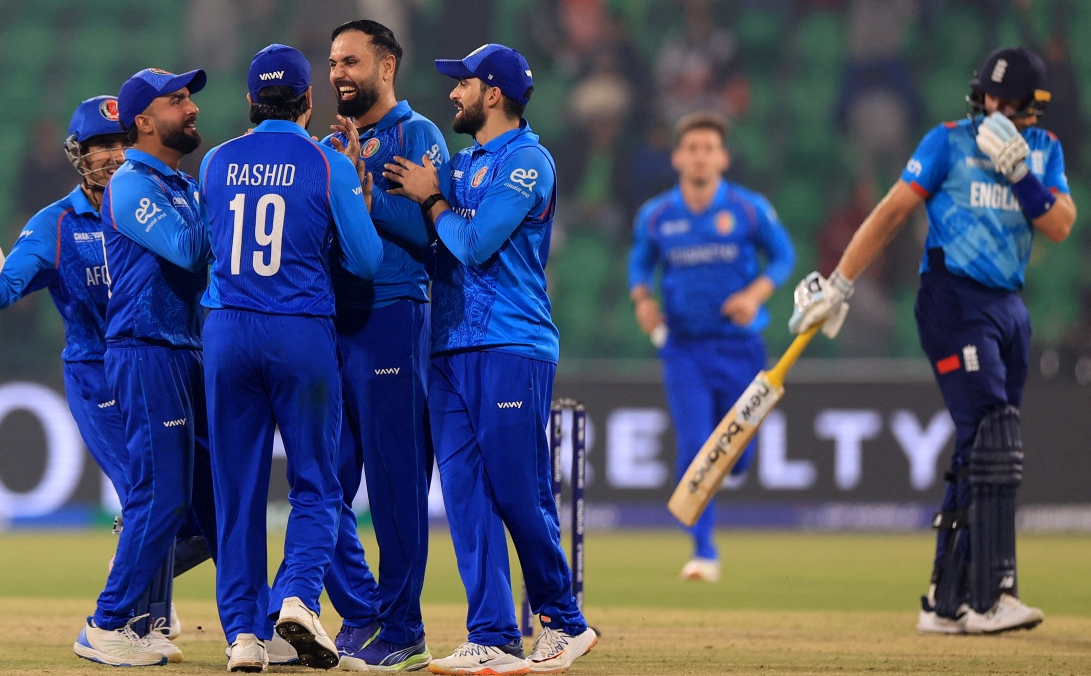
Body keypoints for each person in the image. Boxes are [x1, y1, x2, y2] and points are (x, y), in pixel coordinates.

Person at [788, 46, 1076, 635]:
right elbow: (892, 210)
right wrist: (841, 283)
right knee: (993, 429)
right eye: (987, 97)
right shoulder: (948, 140)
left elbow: (1060, 224)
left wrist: (1023, 177)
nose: (992, 108)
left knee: (985, 445)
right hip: (952, 299)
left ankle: (946, 602)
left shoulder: (1044, 153)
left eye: (1006, 101)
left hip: (1008, 306)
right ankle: (993, 596)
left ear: (1032, 106)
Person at [0, 96, 211, 658]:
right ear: (78, 156)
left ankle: (150, 596)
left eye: (120, 142)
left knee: (200, 506)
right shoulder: (57, 222)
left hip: (174, 366)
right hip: (100, 378)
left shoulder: (171, 201)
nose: (111, 156)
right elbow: (2, 291)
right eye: (99, 146)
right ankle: (128, 620)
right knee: (149, 494)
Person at [382, 43, 597, 675]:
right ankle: (494, 633)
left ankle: (564, 622)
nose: (452, 93)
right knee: (467, 496)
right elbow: (431, 239)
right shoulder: (463, 161)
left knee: (516, 490)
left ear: (493, 94)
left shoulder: (528, 162)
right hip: (448, 346)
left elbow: (473, 244)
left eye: (463, 84)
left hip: (511, 344)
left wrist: (432, 199)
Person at [198, 44, 384, 673]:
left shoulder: (217, 162)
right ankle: (300, 596)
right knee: (315, 481)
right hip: (300, 331)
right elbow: (366, 261)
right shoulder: (324, 161)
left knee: (238, 488)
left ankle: (244, 638)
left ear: (251, 102)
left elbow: (205, 245)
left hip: (226, 331)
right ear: (309, 101)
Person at [72, 67, 221, 667]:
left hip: (184, 351)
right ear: (143, 121)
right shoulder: (132, 184)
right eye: (178, 100)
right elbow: (189, 252)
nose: (191, 108)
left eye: (191, 98)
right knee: (159, 494)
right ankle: (108, 625)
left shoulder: (180, 185)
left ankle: (249, 623)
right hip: (146, 350)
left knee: (213, 499)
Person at [320, 19, 448, 672]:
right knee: (323, 486)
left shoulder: (418, 137)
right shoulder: (324, 144)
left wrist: (359, 198)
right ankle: (364, 612)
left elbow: (437, 241)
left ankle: (403, 630)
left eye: (352, 61)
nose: (339, 72)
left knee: (396, 485)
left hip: (394, 317)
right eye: (333, 62)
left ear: (387, 66)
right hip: (327, 328)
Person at [627, 111, 795, 583]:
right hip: (684, 349)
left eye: (709, 148)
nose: (700, 156)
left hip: (741, 349)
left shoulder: (747, 208)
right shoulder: (657, 214)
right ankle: (703, 551)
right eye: (692, 148)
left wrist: (754, 295)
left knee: (737, 455)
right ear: (678, 157)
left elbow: (783, 256)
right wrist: (642, 299)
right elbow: (640, 264)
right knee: (694, 447)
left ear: (722, 157)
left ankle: (734, 470)